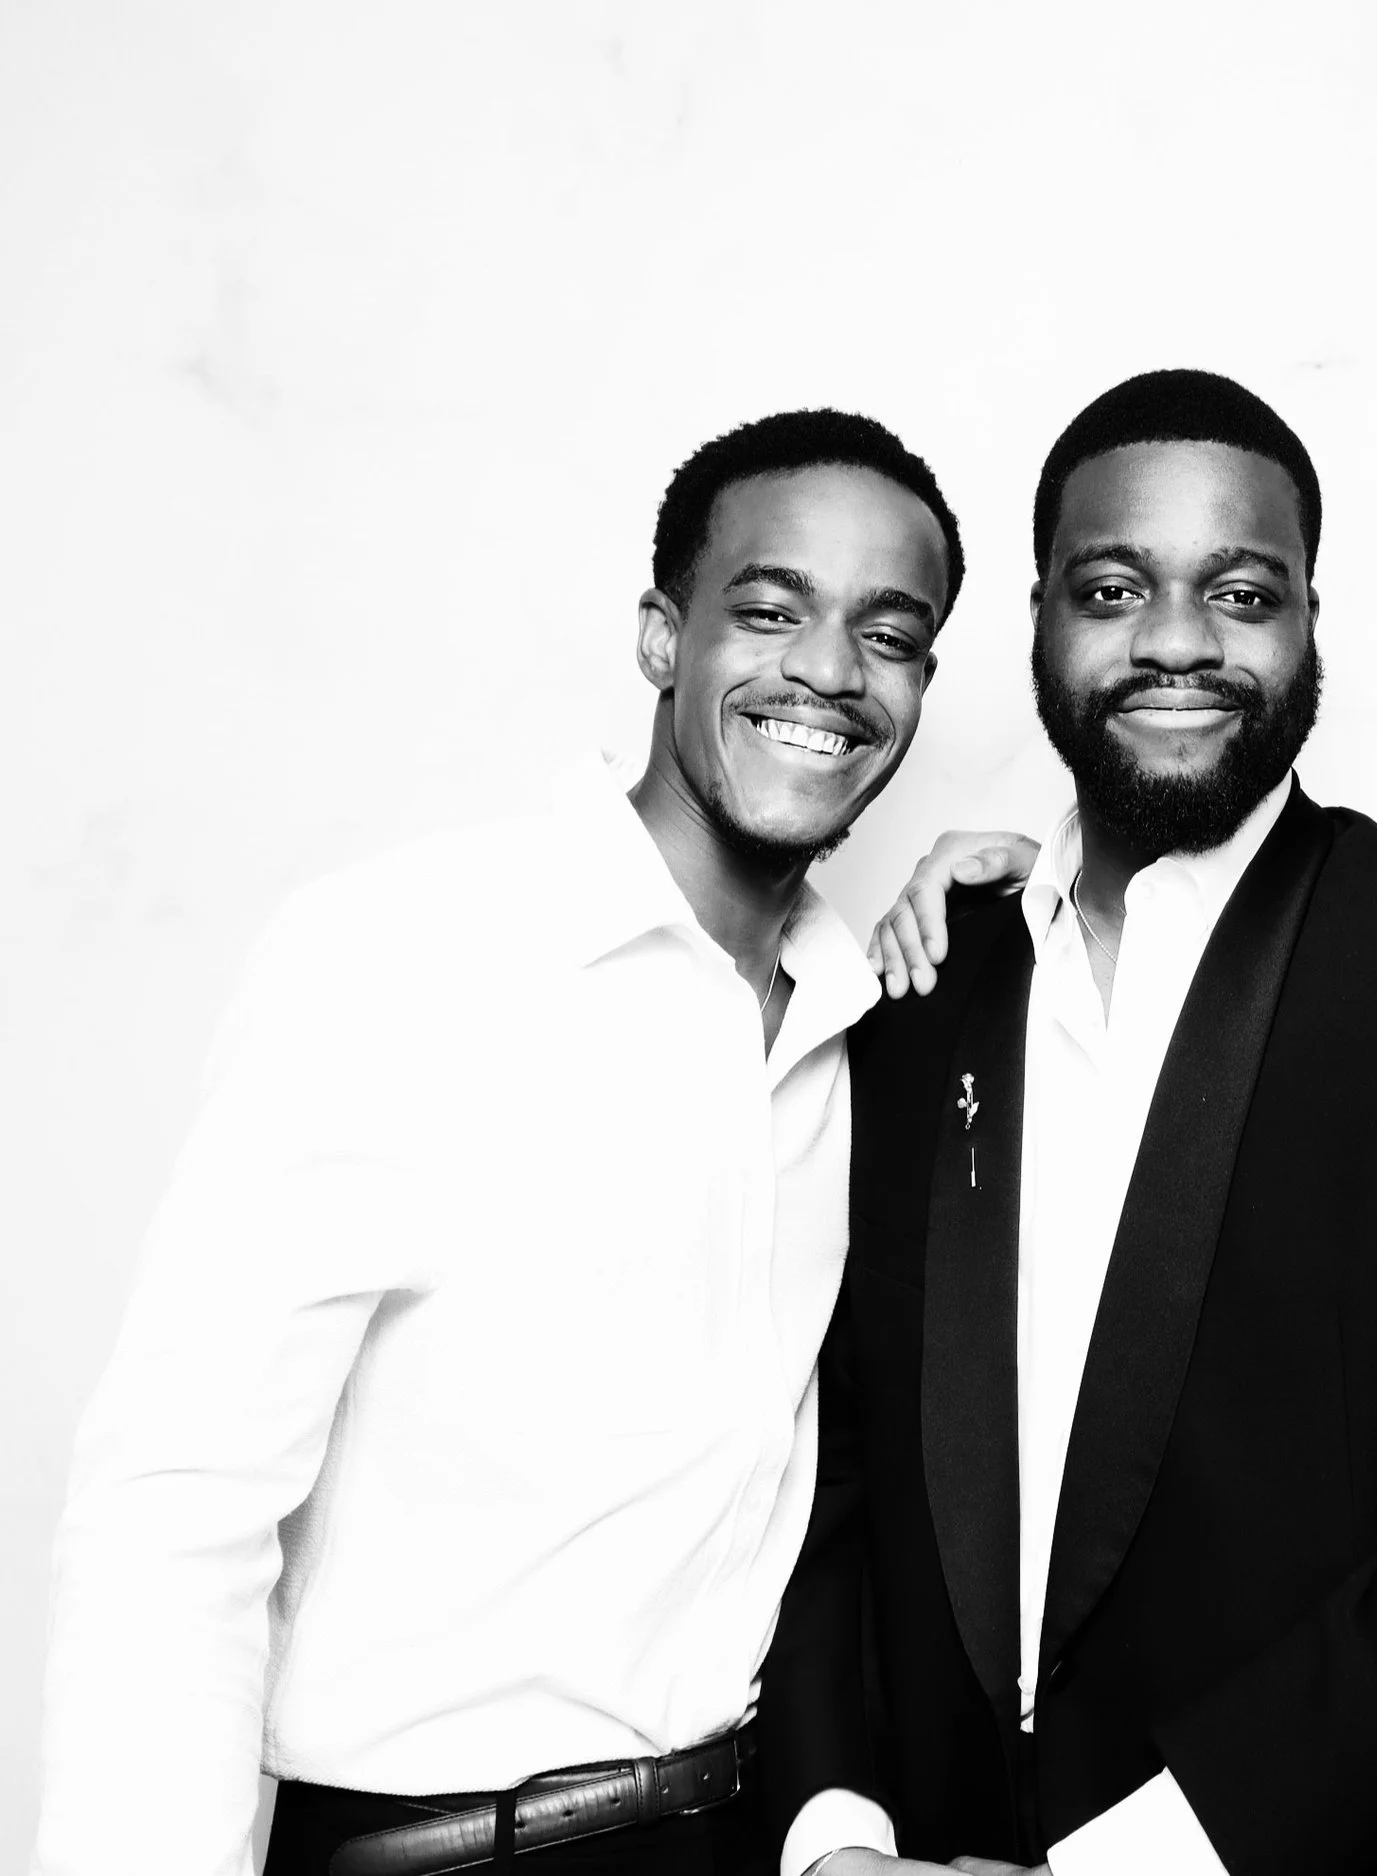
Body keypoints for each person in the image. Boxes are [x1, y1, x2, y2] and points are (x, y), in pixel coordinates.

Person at [37, 408, 961, 1876]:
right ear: (664, 638)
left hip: (739, 1840)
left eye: (890, 633)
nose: (830, 673)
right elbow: (179, 1512)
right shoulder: (401, 955)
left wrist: (1061, 892)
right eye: (770, 611)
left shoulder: (862, 1028)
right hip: (438, 1853)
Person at [761, 369, 1377, 1876]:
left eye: (1241, 591)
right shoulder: (920, 983)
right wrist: (831, 1827)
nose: (1177, 640)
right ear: (1040, 617)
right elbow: (823, 1461)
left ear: (1313, 622)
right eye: (1116, 588)